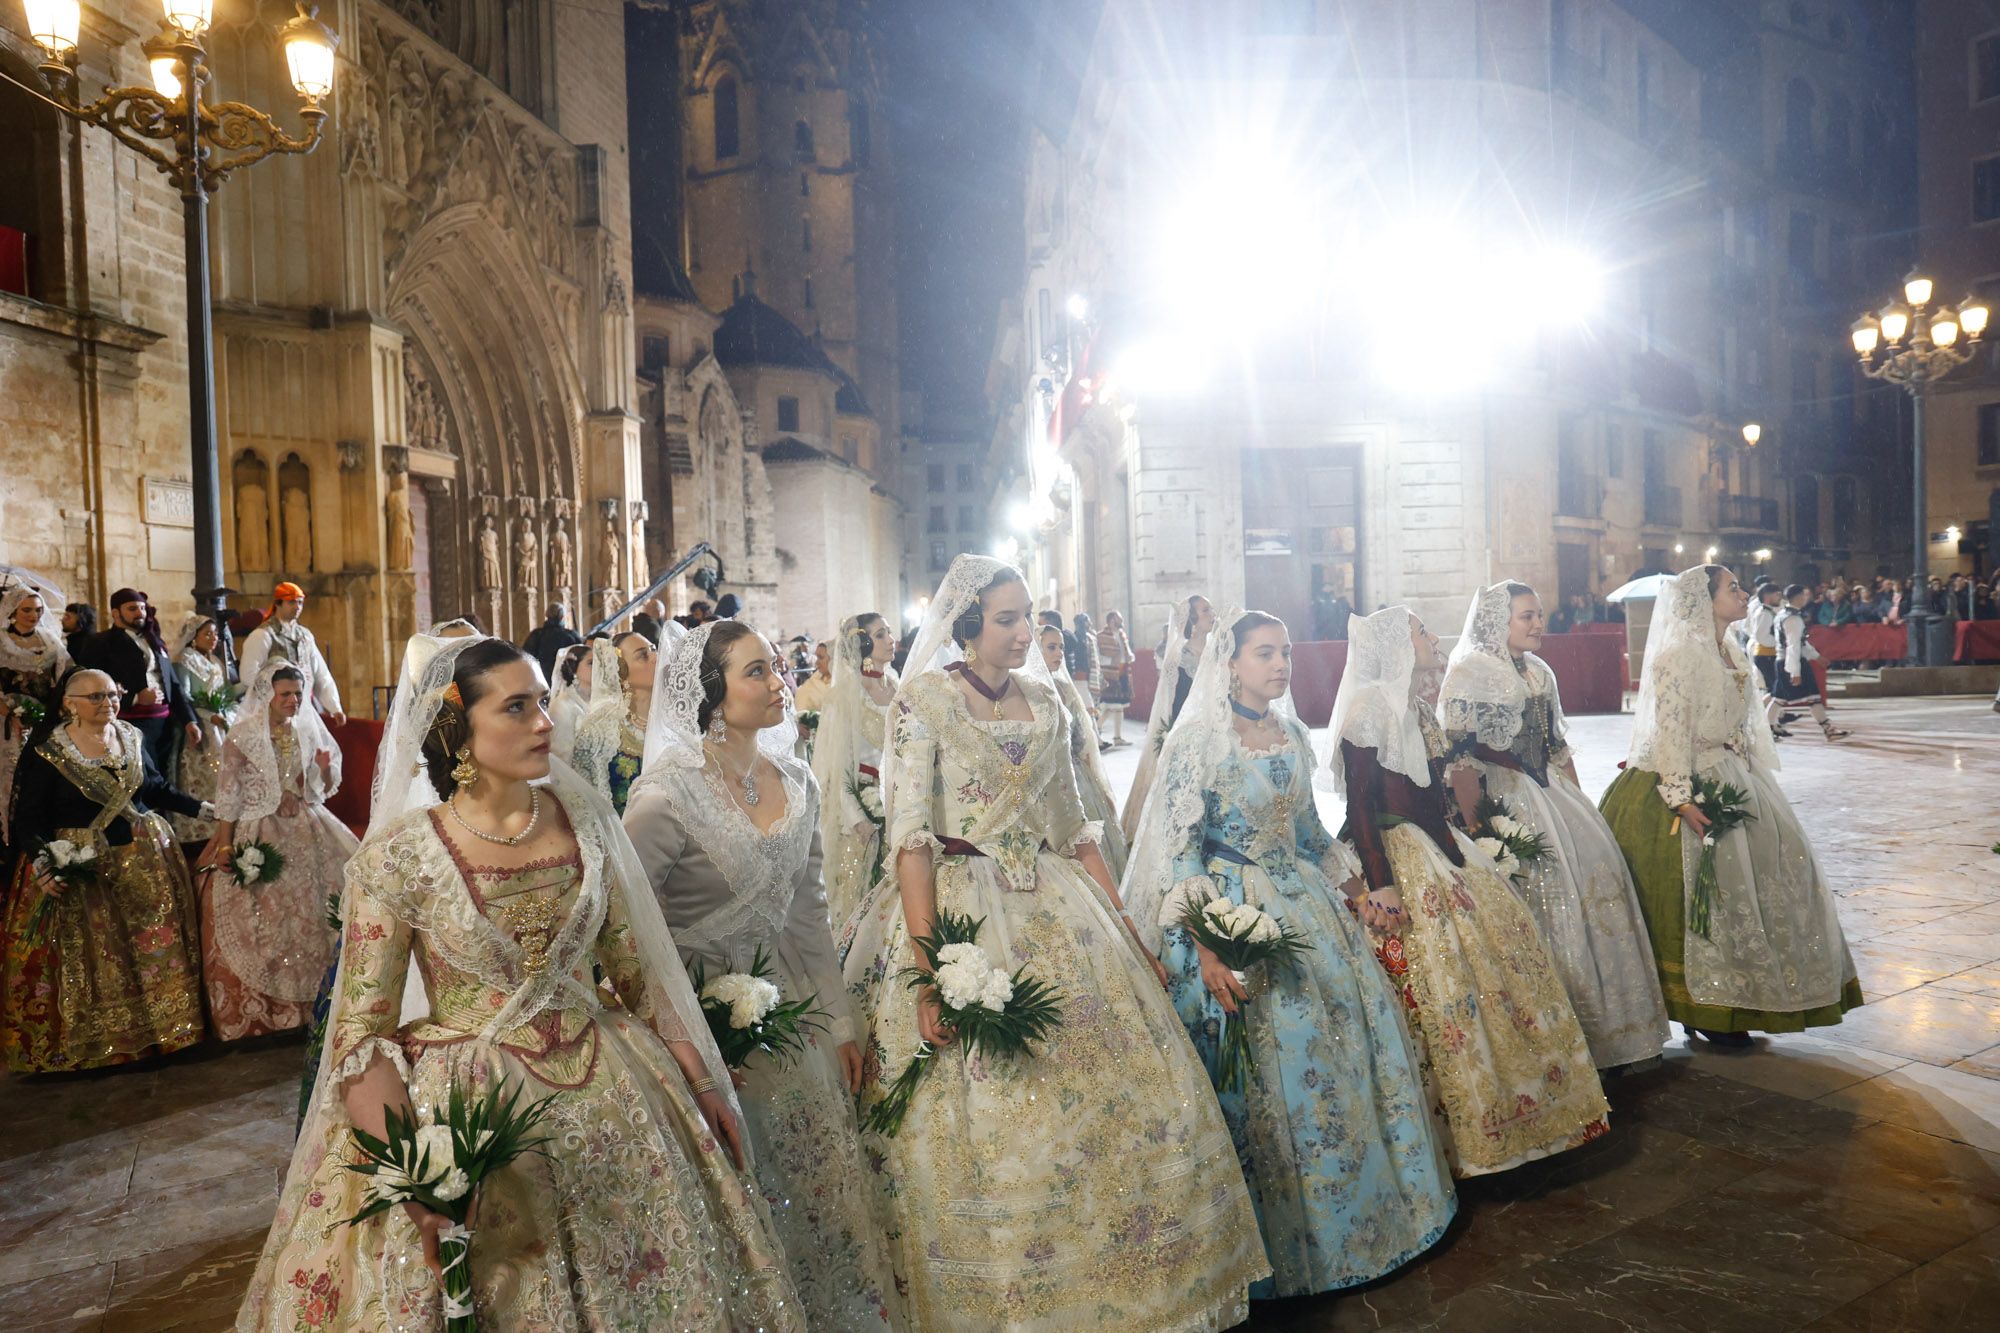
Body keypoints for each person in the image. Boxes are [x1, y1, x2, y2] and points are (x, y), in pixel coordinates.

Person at [235, 635, 802, 1329]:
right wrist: (416, 1172)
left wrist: (703, 1081)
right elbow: (360, 1033)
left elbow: (640, 977)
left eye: (542, 702)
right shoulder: (401, 855)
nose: (544, 722)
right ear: (458, 729)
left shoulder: (587, 823)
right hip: (472, 1111)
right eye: (516, 707)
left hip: (614, 1091)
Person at [843, 555, 1268, 1329]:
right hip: (965, 907)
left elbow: (1076, 828)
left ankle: (1131, 1283)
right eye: (1005, 619)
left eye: (1025, 617)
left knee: (1115, 1096)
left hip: (1059, 903)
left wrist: (1126, 928)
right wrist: (931, 970)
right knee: (996, 1109)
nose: (1021, 633)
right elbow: (910, 841)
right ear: (968, 624)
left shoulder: (1048, 701)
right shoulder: (924, 701)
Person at [1124, 608, 1455, 1297]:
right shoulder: (1199, 744)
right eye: (1264, 653)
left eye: (1286, 653)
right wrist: (1210, 950)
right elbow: (1182, 854)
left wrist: (1360, 895)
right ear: (1231, 663)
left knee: (1338, 1054)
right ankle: (1273, 1247)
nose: (1280, 665)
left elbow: (1309, 834)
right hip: (1230, 912)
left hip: (1303, 904)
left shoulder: (1294, 733)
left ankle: (1362, 1223)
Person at [625, 621, 903, 1328]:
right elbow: (628, 936)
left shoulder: (798, 780)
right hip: (701, 1014)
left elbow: (810, 915)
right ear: (712, 692)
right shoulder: (665, 797)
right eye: (757, 671)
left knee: (813, 1181)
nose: (780, 682)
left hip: (790, 1010)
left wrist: (838, 1022)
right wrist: (682, 1043)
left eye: (777, 667)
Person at [1326, 606, 1610, 1175]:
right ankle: (1463, 1136)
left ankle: (1526, 1117)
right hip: (1398, 854)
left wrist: (1468, 842)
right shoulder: (1369, 710)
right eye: (1421, 631)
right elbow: (1361, 807)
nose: (1433, 637)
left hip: (1442, 846)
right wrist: (1382, 884)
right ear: (1396, 646)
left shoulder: (1413, 704)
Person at [1600, 566, 1862, 1047]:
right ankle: (1705, 1006)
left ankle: (1742, 993)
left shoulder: (1731, 648)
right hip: (1685, 778)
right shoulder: (1679, 655)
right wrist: (1681, 799)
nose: (1743, 595)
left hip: (1732, 771)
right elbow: (1671, 732)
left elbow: (1740, 723)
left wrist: (1746, 768)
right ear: (1705, 601)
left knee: (1769, 875)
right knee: (1707, 893)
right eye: (1733, 588)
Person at [1439, 583, 1669, 1071]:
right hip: (1506, 795)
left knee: (1595, 887)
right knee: (1543, 901)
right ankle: (1559, 1042)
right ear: (1497, 621)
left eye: (1540, 614)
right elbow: (1460, 759)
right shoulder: (1468, 673)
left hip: (1552, 793)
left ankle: (1614, 1033)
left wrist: (1581, 803)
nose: (1538, 624)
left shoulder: (1540, 670)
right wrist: (1479, 828)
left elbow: (1556, 746)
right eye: (1527, 616)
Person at [1, 667, 207, 1071]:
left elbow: (154, 788)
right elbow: (28, 818)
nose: (108, 703)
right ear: (68, 704)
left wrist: (202, 809)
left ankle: (166, 1031)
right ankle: (105, 1044)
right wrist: (44, 862)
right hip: (80, 863)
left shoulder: (131, 736)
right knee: (100, 955)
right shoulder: (48, 751)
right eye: (95, 696)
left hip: (143, 858)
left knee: (153, 944)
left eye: (112, 694)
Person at [192, 664, 347, 1040]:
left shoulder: (306, 729)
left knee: (316, 906)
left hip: (305, 825)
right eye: (286, 694)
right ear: (268, 695)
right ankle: (270, 1011)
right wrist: (226, 843)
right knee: (264, 914)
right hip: (258, 825)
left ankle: (319, 1002)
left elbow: (321, 787)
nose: (294, 700)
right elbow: (229, 792)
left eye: (299, 694)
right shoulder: (243, 735)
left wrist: (323, 770)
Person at [808, 613, 900, 928]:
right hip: (863, 813)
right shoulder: (844, 696)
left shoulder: (898, 688)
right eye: (880, 634)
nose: (891, 640)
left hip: (902, 806)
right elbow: (837, 770)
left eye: (889, 632)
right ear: (862, 644)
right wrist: (860, 819)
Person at [74, 588, 201, 781]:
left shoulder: (155, 641)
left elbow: (173, 684)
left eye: (142, 608)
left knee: (166, 777)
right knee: (143, 779)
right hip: (130, 724)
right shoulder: (100, 642)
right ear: (116, 613)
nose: (140, 613)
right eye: (132, 608)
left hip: (165, 723)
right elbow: (87, 684)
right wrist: (135, 698)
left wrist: (189, 720)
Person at [1120, 593, 1216, 845]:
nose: (1212, 614)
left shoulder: (1218, 653)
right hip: (1190, 734)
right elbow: (1173, 702)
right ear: (1192, 621)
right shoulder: (1179, 657)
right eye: (1205, 610)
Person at [1038, 623, 1130, 880]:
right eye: (1051, 647)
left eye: (1061, 648)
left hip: (1075, 773)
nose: (1059, 653)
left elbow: (1080, 738)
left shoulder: (1065, 689)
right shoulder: (1024, 692)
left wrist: (1097, 783)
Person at [0, 584, 72, 845]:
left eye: (39, 610)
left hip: (45, 720)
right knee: (8, 777)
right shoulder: (1, 641)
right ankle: (8, 840)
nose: (34, 615)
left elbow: (67, 674)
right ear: (12, 611)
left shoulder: (50, 640)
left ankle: (38, 836)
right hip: (6, 722)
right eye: (27, 610)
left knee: (41, 777)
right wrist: (10, 710)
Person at [567, 631, 656, 816]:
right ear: (620, 672)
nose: (656, 657)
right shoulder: (599, 730)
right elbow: (588, 806)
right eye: (643, 655)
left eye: (653, 649)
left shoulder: (679, 719)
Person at [236, 583, 346, 726]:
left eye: (300, 602)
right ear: (278, 603)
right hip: (273, 713)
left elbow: (320, 674)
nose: (297, 607)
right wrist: (274, 695)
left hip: (304, 708)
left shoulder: (305, 636)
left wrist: (335, 707)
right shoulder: (262, 635)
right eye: (292, 602)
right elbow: (248, 675)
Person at [169, 613, 234, 845]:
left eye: (215, 634)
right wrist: (207, 715)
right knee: (202, 775)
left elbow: (224, 692)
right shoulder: (184, 659)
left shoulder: (215, 661)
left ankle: (226, 826)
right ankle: (199, 830)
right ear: (193, 637)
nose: (213, 638)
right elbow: (184, 696)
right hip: (200, 724)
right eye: (207, 634)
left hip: (220, 722)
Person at [1773, 583, 1850, 741]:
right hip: (1792, 661)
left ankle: (1767, 729)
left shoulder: (1783, 614)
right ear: (1798, 597)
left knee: (1779, 699)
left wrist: (1816, 656)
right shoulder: (1793, 618)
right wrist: (1795, 671)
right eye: (1804, 594)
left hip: (1783, 660)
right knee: (1811, 697)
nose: (1806, 598)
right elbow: (1794, 645)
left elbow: (1799, 643)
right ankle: (1828, 730)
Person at [548, 640, 593, 759]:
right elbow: (561, 753)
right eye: (591, 663)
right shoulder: (562, 705)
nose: (598, 668)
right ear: (574, 668)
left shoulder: (599, 699)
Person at [1096, 609, 1133, 744]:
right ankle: (1096, 729)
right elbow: (1097, 656)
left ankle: (1117, 737)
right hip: (1109, 674)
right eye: (1119, 618)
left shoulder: (1122, 634)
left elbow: (1127, 653)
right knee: (1112, 706)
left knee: (1118, 706)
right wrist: (1111, 661)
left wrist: (1130, 657)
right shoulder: (1100, 636)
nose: (1122, 620)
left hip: (1123, 673)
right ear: (1112, 620)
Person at [523, 601, 583, 680]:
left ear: (547, 615)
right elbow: (581, 656)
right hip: (564, 680)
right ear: (562, 617)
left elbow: (526, 657)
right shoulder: (571, 636)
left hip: (540, 678)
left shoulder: (536, 635)